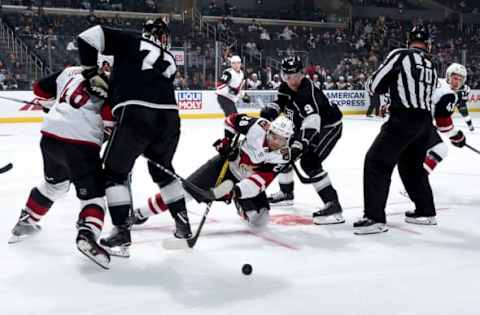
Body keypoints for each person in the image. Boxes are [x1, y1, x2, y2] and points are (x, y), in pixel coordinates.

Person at [76, 18, 192, 256]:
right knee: (163, 170)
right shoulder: (169, 59)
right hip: (170, 118)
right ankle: (183, 225)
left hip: (137, 112)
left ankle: (121, 231)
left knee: (114, 173)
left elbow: (87, 36)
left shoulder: (131, 39)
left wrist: (90, 72)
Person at [9, 61, 114, 269]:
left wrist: (54, 101)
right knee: (93, 196)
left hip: (50, 136)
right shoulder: (116, 82)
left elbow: (39, 88)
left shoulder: (71, 70)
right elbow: (109, 118)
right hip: (81, 142)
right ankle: (87, 233)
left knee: (55, 186)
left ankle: (26, 222)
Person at [131, 114, 294, 228]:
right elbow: (231, 120)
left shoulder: (283, 156)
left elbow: (258, 183)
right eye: (273, 136)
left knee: (261, 220)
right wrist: (227, 143)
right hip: (225, 166)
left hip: (246, 183)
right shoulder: (258, 126)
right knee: (183, 192)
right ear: (269, 130)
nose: (275, 141)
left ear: (287, 140)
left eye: (281, 139)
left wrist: (234, 192)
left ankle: (241, 205)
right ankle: (140, 213)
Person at [354, 25, 439, 234]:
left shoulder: (400, 55)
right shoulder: (431, 64)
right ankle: (425, 211)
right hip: (425, 121)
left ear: (409, 41)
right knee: (412, 167)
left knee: (376, 162)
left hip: (404, 119)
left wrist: (377, 88)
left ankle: (374, 218)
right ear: (427, 44)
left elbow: (374, 84)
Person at [260, 56, 344, 225]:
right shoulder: (285, 87)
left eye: (295, 76)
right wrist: (272, 110)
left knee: (309, 162)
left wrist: (300, 144)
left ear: (302, 74)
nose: (291, 80)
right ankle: (286, 193)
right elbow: (282, 102)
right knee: (281, 151)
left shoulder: (307, 93)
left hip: (328, 127)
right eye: (287, 76)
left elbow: (312, 122)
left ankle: (333, 206)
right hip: (304, 126)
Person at [447, 63, 474, 131]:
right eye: (455, 78)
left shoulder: (465, 89)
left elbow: (464, 99)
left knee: (464, 112)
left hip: (459, 101)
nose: (457, 82)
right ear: (448, 76)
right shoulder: (442, 87)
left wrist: (461, 102)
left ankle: (469, 124)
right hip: (449, 100)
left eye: (460, 79)